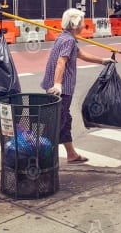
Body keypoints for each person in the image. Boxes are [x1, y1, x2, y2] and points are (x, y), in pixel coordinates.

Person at [41, 8, 116, 164]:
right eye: (82, 21)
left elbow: (80, 55)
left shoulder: (65, 37)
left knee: (64, 119)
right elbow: (61, 61)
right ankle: (39, 158)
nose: (84, 24)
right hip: (61, 90)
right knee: (57, 123)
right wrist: (58, 84)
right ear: (75, 24)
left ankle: (71, 154)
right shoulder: (68, 40)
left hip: (57, 87)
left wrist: (102, 61)